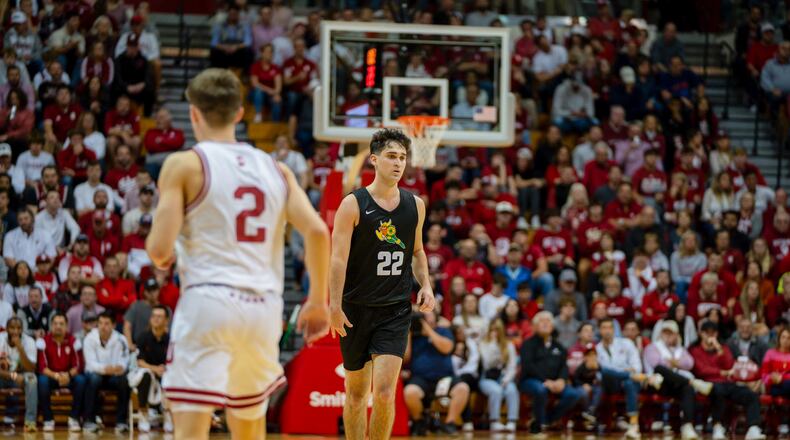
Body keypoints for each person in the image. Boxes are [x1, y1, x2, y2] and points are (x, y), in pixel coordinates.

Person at [145, 68, 330, 438]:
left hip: (209, 301)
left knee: (191, 428)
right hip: (262, 309)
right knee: (248, 424)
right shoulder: (276, 169)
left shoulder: (184, 164)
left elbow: (160, 251)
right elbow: (317, 231)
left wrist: (164, 251)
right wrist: (316, 302)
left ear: (194, 113)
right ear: (240, 114)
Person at [328, 127, 435, 439]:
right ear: (374, 160)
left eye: (402, 157)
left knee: (386, 393)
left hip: (395, 311)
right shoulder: (353, 204)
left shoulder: (416, 205)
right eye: (391, 156)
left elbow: (416, 251)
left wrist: (426, 285)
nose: (398, 163)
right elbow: (337, 260)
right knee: (357, 394)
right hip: (355, 309)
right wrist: (334, 305)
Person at [690, 320, 766, 440]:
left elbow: (730, 365)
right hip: (708, 385)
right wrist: (720, 372)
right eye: (707, 333)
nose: (710, 336)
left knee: (751, 394)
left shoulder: (723, 347)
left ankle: (753, 428)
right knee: (718, 391)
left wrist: (718, 349)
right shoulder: (695, 350)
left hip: (727, 383)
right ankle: (717, 426)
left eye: (713, 333)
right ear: (701, 334)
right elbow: (701, 370)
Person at [642, 320, 711, 439]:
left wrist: (673, 363)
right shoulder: (652, 347)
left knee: (687, 389)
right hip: (657, 384)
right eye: (665, 332)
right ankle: (693, 382)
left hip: (675, 384)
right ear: (661, 333)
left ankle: (687, 426)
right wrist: (677, 363)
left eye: (671, 333)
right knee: (660, 369)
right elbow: (656, 364)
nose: (668, 335)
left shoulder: (681, 349)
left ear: (677, 335)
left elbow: (690, 363)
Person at [404, 311, 468, 435]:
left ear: (436, 316)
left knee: (462, 388)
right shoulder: (413, 334)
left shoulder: (443, 331)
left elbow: (447, 348)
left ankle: (450, 423)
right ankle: (419, 422)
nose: (424, 316)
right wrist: (408, 333)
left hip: (444, 378)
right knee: (410, 392)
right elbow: (406, 357)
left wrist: (428, 330)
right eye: (422, 314)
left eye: (428, 314)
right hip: (420, 378)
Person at [520, 311, 583, 435]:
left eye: (548, 321)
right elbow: (528, 366)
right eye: (541, 321)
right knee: (540, 390)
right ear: (534, 326)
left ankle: (547, 419)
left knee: (573, 394)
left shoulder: (559, 346)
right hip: (531, 380)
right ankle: (540, 423)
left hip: (555, 381)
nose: (545, 323)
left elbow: (564, 367)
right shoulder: (528, 344)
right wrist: (545, 381)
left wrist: (561, 380)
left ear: (553, 326)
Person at [597, 317, 657, 439]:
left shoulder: (626, 343)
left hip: (630, 382)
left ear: (614, 330)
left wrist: (628, 372)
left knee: (629, 382)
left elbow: (637, 366)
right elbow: (604, 371)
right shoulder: (597, 348)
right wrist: (626, 372)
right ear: (599, 330)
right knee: (606, 372)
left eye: (609, 327)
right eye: (604, 327)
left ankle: (633, 425)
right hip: (611, 384)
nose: (607, 330)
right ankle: (644, 378)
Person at [82, 312, 130, 433]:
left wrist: (115, 369)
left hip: (114, 377)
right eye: (100, 323)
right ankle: (89, 420)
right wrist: (106, 369)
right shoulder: (89, 338)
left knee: (124, 381)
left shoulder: (121, 339)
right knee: (93, 379)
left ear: (114, 325)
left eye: (107, 323)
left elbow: (124, 363)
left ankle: (121, 421)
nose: (103, 326)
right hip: (95, 375)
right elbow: (90, 364)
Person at [37, 313, 84, 432]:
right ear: (51, 326)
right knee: (42, 381)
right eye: (55, 324)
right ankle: (48, 419)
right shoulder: (43, 341)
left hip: (68, 377)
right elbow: (42, 367)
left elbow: (78, 365)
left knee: (81, 380)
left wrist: (68, 375)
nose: (58, 326)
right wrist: (56, 376)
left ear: (67, 326)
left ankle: (74, 418)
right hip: (52, 377)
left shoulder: (74, 341)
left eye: (61, 324)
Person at [131, 305, 172, 433]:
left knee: (172, 377)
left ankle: (167, 413)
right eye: (154, 316)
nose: (156, 319)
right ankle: (143, 413)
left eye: (160, 317)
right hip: (145, 373)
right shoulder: (143, 337)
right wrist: (155, 369)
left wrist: (165, 369)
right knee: (146, 375)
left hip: (164, 374)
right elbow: (140, 362)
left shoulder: (170, 339)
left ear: (166, 320)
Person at [478, 319, 518, 432]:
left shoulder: (509, 345)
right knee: (496, 391)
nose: (494, 332)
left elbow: (512, 366)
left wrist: (506, 379)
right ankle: (494, 421)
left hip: (503, 377)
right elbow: (487, 363)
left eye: (497, 330)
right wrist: (493, 345)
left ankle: (512, 421)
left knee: (512, 389)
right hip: (487, 378)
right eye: (492, 330)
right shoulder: (483, 344)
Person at [0, 317, 39, 432]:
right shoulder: (1, 339)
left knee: (32, 379)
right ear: (6, 329)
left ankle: (30, 422)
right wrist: (13, 376)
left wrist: (21, 349)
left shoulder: (29, 341)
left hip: (22, 376)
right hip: (4, 376)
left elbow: (31, 368)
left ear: (22, 330)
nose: (15, 331)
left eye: (18, 328)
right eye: (12, 328)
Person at [123, 277, 161, 350]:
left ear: (158, 290)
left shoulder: (164, 309)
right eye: (149, 290)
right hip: (139, 346)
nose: (152, 293)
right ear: (145, 292)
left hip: (159, 347)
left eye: (154, 290)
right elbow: (127, 326)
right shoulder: (136, 306)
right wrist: (129, 344)